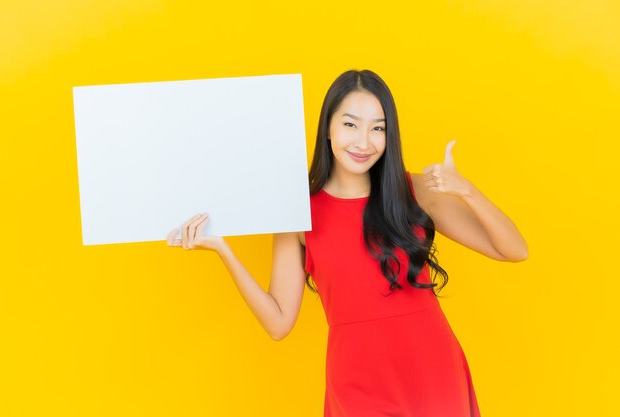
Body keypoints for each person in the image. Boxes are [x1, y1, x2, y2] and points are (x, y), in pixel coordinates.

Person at [166, 69, 528, 417]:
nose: (363, 142)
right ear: (328, 128)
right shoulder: (297, 213)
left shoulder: (412, 192)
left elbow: (514, 250)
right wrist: (223, 250)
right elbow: (278, 324)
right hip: (356, 382)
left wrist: (467, 190)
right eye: (350, 124)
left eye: (377, 129)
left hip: (433, 374)